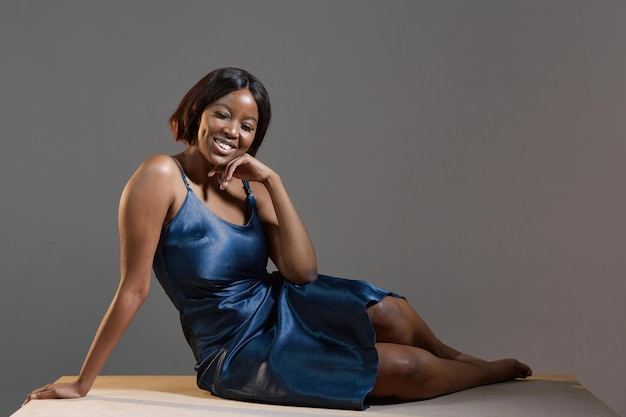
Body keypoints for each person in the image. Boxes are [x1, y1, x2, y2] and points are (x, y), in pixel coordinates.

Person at [25, 67, 531, 410]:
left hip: (278, 305)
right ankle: (484, 375)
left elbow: (302, 272)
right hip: (233, 348)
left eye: (249, 125)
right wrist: (82, 382)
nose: (233, 131)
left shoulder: (248, 181)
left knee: (392, 311)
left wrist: (273, 182)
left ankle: (457, 356)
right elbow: (133, 288)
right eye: (223, 114)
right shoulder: (159, 176)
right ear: (198, 111)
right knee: (407, 370)